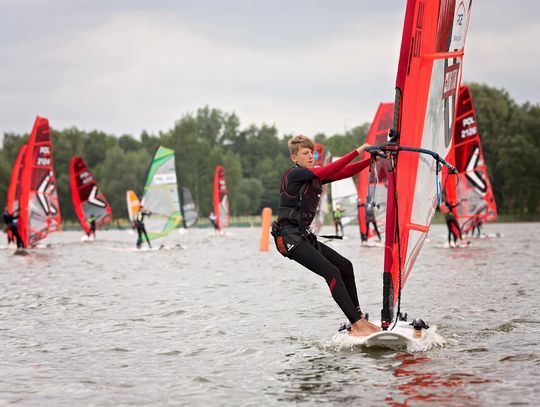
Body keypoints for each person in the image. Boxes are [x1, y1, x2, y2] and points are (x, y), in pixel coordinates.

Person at [272, 135, 380, 336]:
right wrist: (358, 151)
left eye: (311, 152)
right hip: (288, 238)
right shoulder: (293, 175)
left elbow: (344, 171)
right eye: (305, 153)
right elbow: (329, 169)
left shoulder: (312, 177)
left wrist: (371, 161)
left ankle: (358, 319)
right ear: (294, 158)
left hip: (302, 236)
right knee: (331, 271)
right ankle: (357, 325)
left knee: (345, 266)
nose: (310, 156)